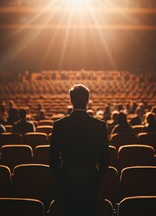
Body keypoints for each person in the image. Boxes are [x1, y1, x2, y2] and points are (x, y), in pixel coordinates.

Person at [49, 84, 109, 216]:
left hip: (67, 180)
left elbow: (53, 159)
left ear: (71, 101)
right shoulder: (99, 126)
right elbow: (105, 161)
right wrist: (96, 182)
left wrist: (61, 181)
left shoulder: (59, 125)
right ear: (87, 101)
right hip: (91, 181)